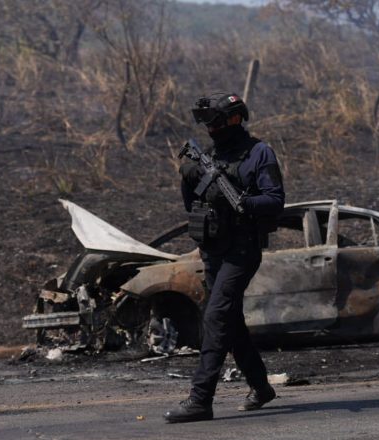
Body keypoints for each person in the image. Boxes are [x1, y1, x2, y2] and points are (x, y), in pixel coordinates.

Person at [163, 93, 285, 423]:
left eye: (216, 122)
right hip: (214, 249)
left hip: (243, 250)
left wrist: (246, 203)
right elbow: (193, 207)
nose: (212, 129)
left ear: (235, 119)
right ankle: (261, 388)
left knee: (216, 317)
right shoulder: (212, 155)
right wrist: (188, 177)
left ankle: (200, 398)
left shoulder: (259, 153)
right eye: (208, 124)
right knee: (230, 324)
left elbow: (275, 200)